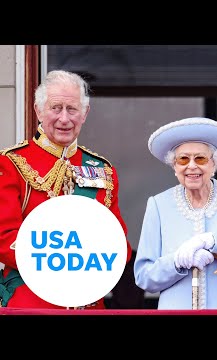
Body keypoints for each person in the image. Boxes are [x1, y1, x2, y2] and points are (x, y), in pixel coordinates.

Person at [0, 70, 132, 308]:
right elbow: (3, 237)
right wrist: (61, 263)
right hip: (31, 302)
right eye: (55, 108)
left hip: (88, 303)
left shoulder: (102, 169)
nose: (64, 118)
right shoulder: (12, 163)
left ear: (85, 113)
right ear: (38, 110)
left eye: (72, 109)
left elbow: (118, 241)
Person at [134, 117, 217, 309]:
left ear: (214, 164)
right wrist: (177, 262)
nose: (192, 166)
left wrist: (215, 243)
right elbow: (144, 277)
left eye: (200, 158)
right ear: (174, 166)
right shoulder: (159, 205)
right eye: (183, 159)